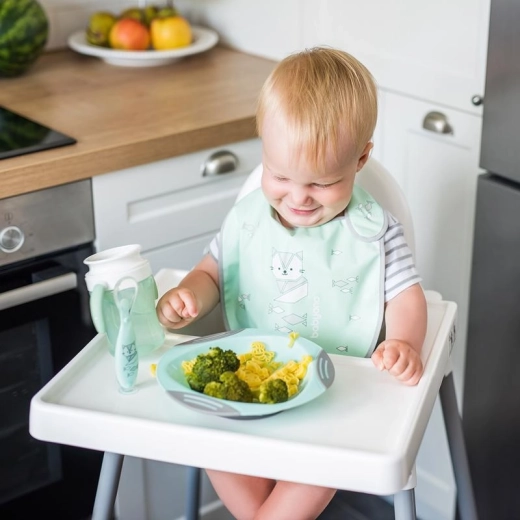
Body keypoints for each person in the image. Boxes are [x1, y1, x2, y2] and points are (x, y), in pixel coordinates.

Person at [157, 46, 427, 520]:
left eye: (321, 183)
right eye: (279, 175)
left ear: (361, 159)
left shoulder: (374, 232)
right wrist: (187, 297)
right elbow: (212, 274)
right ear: (263, 149)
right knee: (211, 439)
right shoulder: (248, 221)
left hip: (336, 401)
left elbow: (406, 295)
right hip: (246, 385)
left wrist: (404, 341)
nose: (298, 197)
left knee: (319, 467)